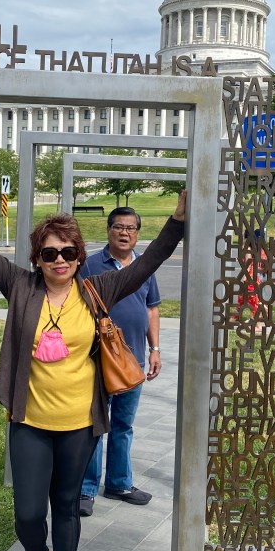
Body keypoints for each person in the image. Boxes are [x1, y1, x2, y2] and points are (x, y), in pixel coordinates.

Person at [0, 161, 186, 551]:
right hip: (31, 422)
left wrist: (176, 221)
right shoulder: (20, 287)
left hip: (79, 424)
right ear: (37, 258)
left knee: (66, 504)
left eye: (68, 252)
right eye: (49, 253)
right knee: (27, 513)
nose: (59, 260)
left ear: (79, 256)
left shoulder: (97, 290)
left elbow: (151, 260)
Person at [78, 207, 162, 516]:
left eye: (130, 228)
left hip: (133, 361)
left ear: (137, 233)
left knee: (123, 425)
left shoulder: (144, 267)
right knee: (95, 425)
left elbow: (152, 308)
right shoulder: (90, 265)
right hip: (98, 361)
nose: (124, 233)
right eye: (118, 227)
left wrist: (155, 349)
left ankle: (119, 483)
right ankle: (86, 489)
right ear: (108, 230)